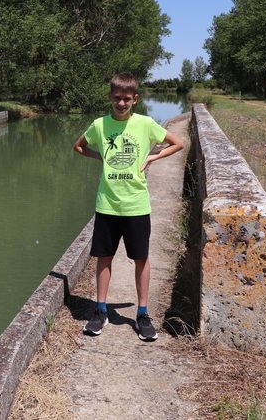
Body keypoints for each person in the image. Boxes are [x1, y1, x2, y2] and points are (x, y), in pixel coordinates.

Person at [73, 72, 183, 341]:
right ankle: (100, 311)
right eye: (116, 98)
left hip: (136, 206)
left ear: (135, 99)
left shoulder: (145, 124)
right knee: (104, 258)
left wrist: (153, 157)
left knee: (141, 259)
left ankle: (143, 313)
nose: (121, 104)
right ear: (110, 97)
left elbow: (178, 143)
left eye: (126, 99)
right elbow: (78, 146)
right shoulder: (99, 125)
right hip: (107, 205)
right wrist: (101, 157)